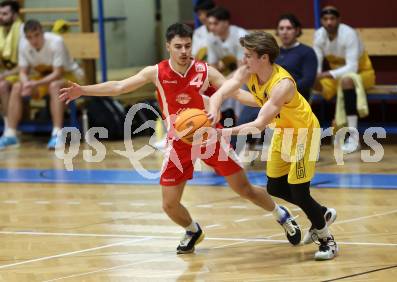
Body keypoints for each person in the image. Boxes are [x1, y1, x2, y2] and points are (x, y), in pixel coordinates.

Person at [59, 23, 301, 255]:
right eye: (179, 46)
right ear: (168, 47)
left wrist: (272, 103)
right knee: (169, 205)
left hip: (209, 137)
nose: (184, 51)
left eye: (188, 46)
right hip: (179, 142)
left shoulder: (205, 71)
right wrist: (83, 90)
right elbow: (120, 86)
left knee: (244, 189)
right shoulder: (156, 72)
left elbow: (236, 93)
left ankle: (281, 215)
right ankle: (192, 230)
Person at [207, 31, 338, 260]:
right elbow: (225, 91)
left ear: (264, 57)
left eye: (248, 55)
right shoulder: (248, 71)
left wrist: (221, 133)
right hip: (282, 132)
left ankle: (327, 240)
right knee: (275, 187)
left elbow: (258, 125)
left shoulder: (282, 84)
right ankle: (321, 213)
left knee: (299, 190)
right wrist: (213, 108)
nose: (243, 59)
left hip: (303, 135)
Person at [231, 13, 318, 152]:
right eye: (281, 28)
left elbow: (308, 80)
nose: (284, 32)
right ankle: (234, 152)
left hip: (290, 98)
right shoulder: (271, 52)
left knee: (260, 119)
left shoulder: (306, 52)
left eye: (288, 28)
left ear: (296, 30)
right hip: (266, 97)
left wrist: (281, 94)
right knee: (245, 116)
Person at [0, 19, 83, 150]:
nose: (33, 40)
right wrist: (26, 83)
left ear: (42, 32)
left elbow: (57, 73)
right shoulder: (23, 45)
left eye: (36, 35)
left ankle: (57, 133)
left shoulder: (56, 42)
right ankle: (11, 134)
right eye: (29, 37)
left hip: (69, 76)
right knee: (17, 86)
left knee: (54, 86)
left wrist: (35, 83)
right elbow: (22, 72)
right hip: (43, 77)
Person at [313, 6, 375, 153]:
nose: (329, 22)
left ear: (338, 20)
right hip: (336, 74)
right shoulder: (319, 35)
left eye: (332, 19)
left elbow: (352, 67)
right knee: (310, 83)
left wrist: (326, 74)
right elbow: (317, 62)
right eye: (325, 19)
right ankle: (306, 136)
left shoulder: (349, 34)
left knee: (347, 80)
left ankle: (354, 138)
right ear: (321, 21)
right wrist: (314, 75)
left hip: (362, 73)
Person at [206, 6, 247, 126]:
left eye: (215, 23)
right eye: (209, 24)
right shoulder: (210, 38)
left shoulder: (241, 35)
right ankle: (209, 127)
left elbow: (242, 69)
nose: (211, 27)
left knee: (239, 88)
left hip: (248, 75)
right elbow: (212, 67)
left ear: (226, 23)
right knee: (206, 89)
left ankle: (242, 125)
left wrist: (222, 83)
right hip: (228, 76)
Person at [0, 0, 22, 137]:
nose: (1, 16)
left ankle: (10, 126)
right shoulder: (1, 32)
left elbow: (27, 64)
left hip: (26, 73)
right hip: (8, 73)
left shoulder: (23, 31)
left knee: (2, 86)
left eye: (4, 14)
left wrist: (4, 74)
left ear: (14, 15)